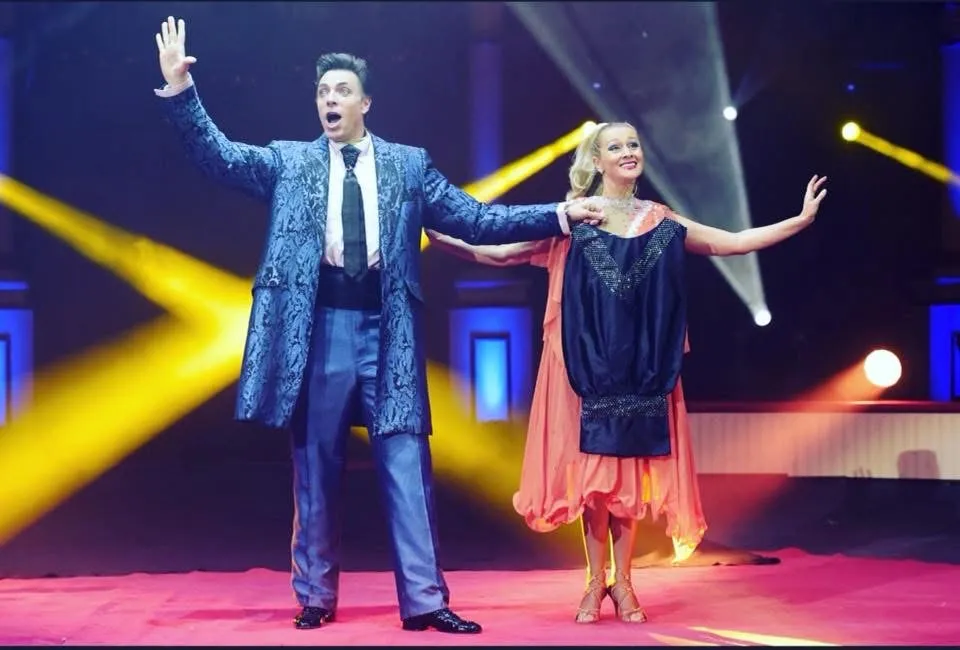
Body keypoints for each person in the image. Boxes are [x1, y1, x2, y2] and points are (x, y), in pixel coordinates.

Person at [152, 16, 604, 634]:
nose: (329, 100)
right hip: (319, 329)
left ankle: (425, 600)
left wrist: (559, 214)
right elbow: (219, 157)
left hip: (387, 330)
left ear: (365, 102)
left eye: (341, 91)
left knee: (407, 464)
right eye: (322, 92)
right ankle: (315, 595)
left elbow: (476, 219)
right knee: (316, 464)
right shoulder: (289, 162)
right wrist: (182, 90)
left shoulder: (408, 166)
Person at [427, 121, 827, 624]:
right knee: (596, 482)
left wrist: (799, 221)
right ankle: (596, 581)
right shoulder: (574, 219)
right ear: (596, 161)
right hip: (585, 368)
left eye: (633, 144)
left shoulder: (661, 219)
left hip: (643, 367)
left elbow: (733, 242)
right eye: (615, 146)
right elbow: (501, 252)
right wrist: (438, 236)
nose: (628, 152)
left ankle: (625, 583)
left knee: (628, 484)